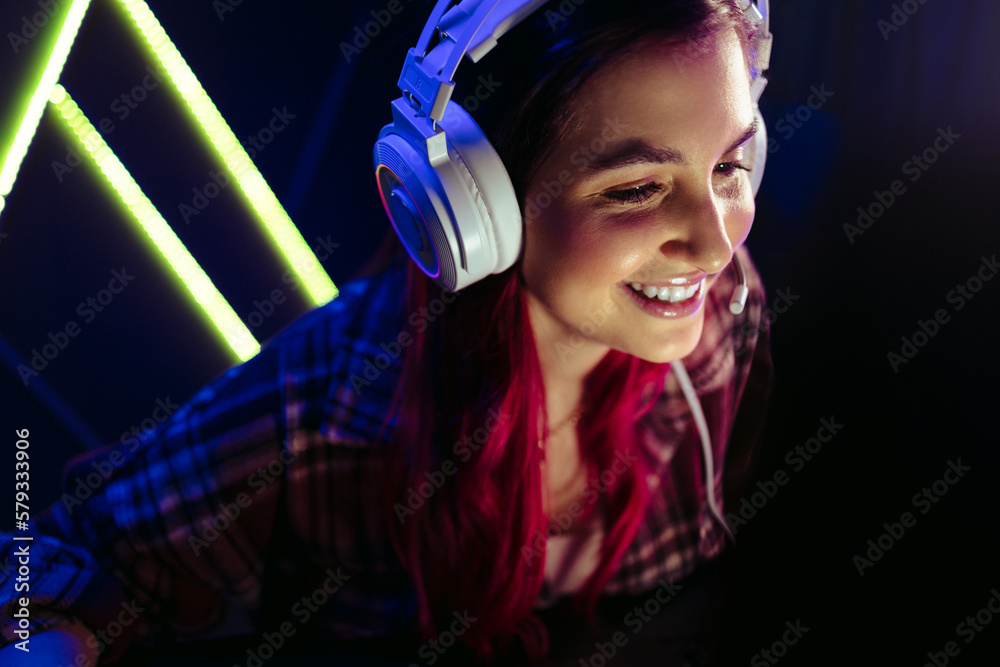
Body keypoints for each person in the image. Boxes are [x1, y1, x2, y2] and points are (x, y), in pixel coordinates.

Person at [0, 0, 774, 664]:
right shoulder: (333, 405)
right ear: (472, 206)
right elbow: (54, 564)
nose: (715, 247)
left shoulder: (723, 317)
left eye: (730, 167)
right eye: (638, 188)